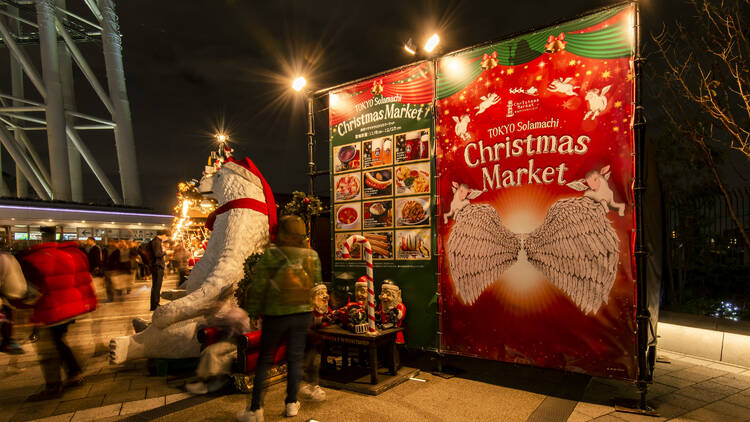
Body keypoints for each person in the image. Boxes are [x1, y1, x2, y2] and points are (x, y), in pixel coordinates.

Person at [238, 216, 320, 422]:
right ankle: (291, 403)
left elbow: (258, 287)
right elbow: (316, 285)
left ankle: (255, 410)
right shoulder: (312, 256)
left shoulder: (272, 255)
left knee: (265, 360)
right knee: (295, 359)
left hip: (276, 314)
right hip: (302, 314)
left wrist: (253, 313)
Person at [20, 227, 97, 400]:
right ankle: (74, 372)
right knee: (59, 342)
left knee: (48, 348)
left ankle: (53, 386)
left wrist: (23, 306)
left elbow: (34, 291)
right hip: (68, 307)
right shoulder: (65, 254)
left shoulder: (34, 259)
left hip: (51, 309)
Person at [149, 230, 169, 311]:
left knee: (155, 286)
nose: (166, 238)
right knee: (157, 286)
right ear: (164, 235)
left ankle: (154, 304)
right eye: (167, 237)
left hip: (155, 266)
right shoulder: (157, 242)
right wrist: (165, 252)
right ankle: (155, 304)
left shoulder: (155, 241)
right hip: (157, 266)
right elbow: (157, 254)